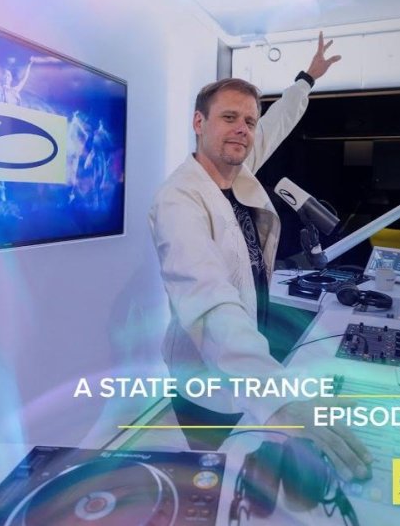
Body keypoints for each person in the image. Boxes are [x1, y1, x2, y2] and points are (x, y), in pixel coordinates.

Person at [149, 33, 372, 481]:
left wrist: (307, 79)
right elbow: (210, 301)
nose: (243, 129)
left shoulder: (237, 173)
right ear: (198, 122)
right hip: (207, 382)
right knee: (219, 482)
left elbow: (277, 122)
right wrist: (279, 400)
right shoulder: (179, 200)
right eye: (229, 117)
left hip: (250, 356)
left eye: (248, 121)